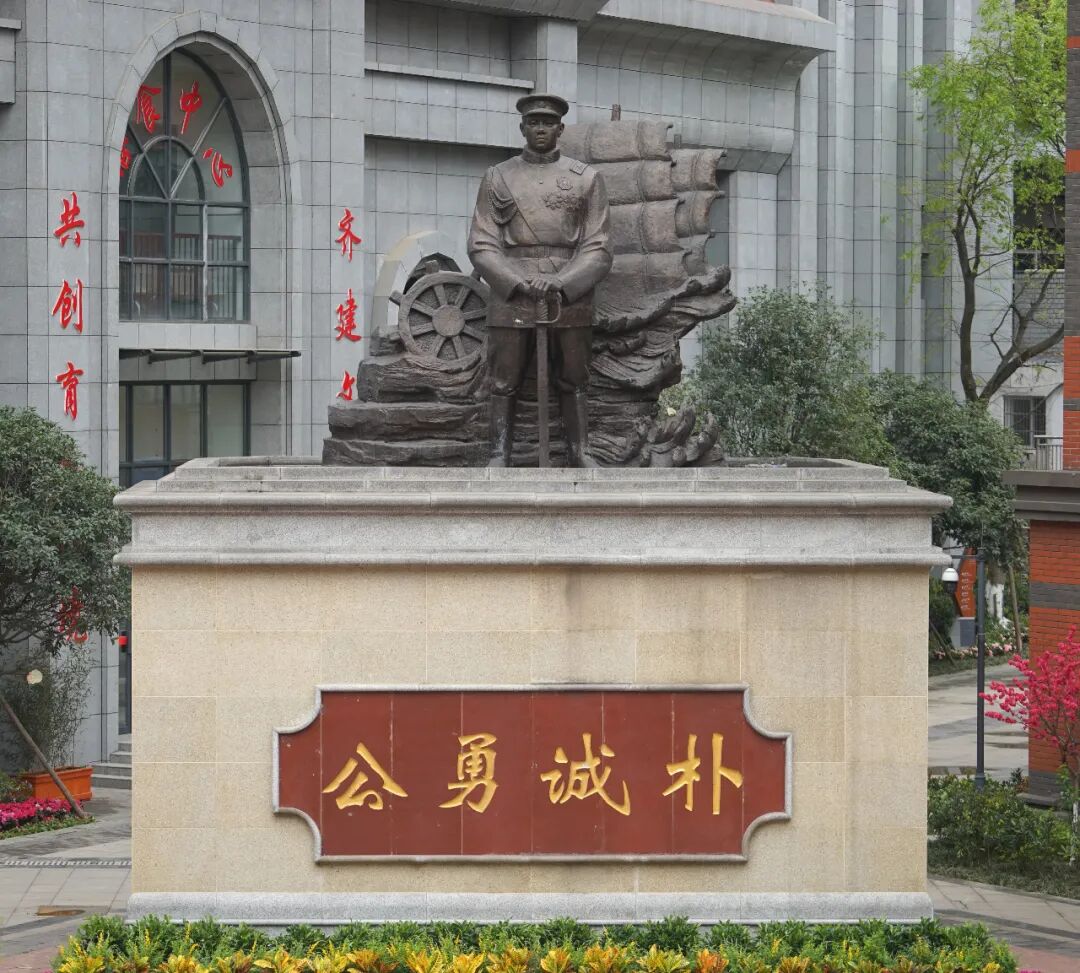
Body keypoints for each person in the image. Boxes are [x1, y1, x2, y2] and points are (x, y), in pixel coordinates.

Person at [468, 93, 612, 467]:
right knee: (504, 377)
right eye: (534, 123)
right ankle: (499, 452)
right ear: (522, 128)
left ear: (560, 129)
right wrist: (516, 281)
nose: (541, 129)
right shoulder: (498, 177)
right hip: (512, 290)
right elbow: (482, 242)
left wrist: (563, 282)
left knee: (574, 376)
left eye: (548, 123)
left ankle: (580, 451)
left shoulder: (586, 179)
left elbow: (598, 246)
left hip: (569, 292)